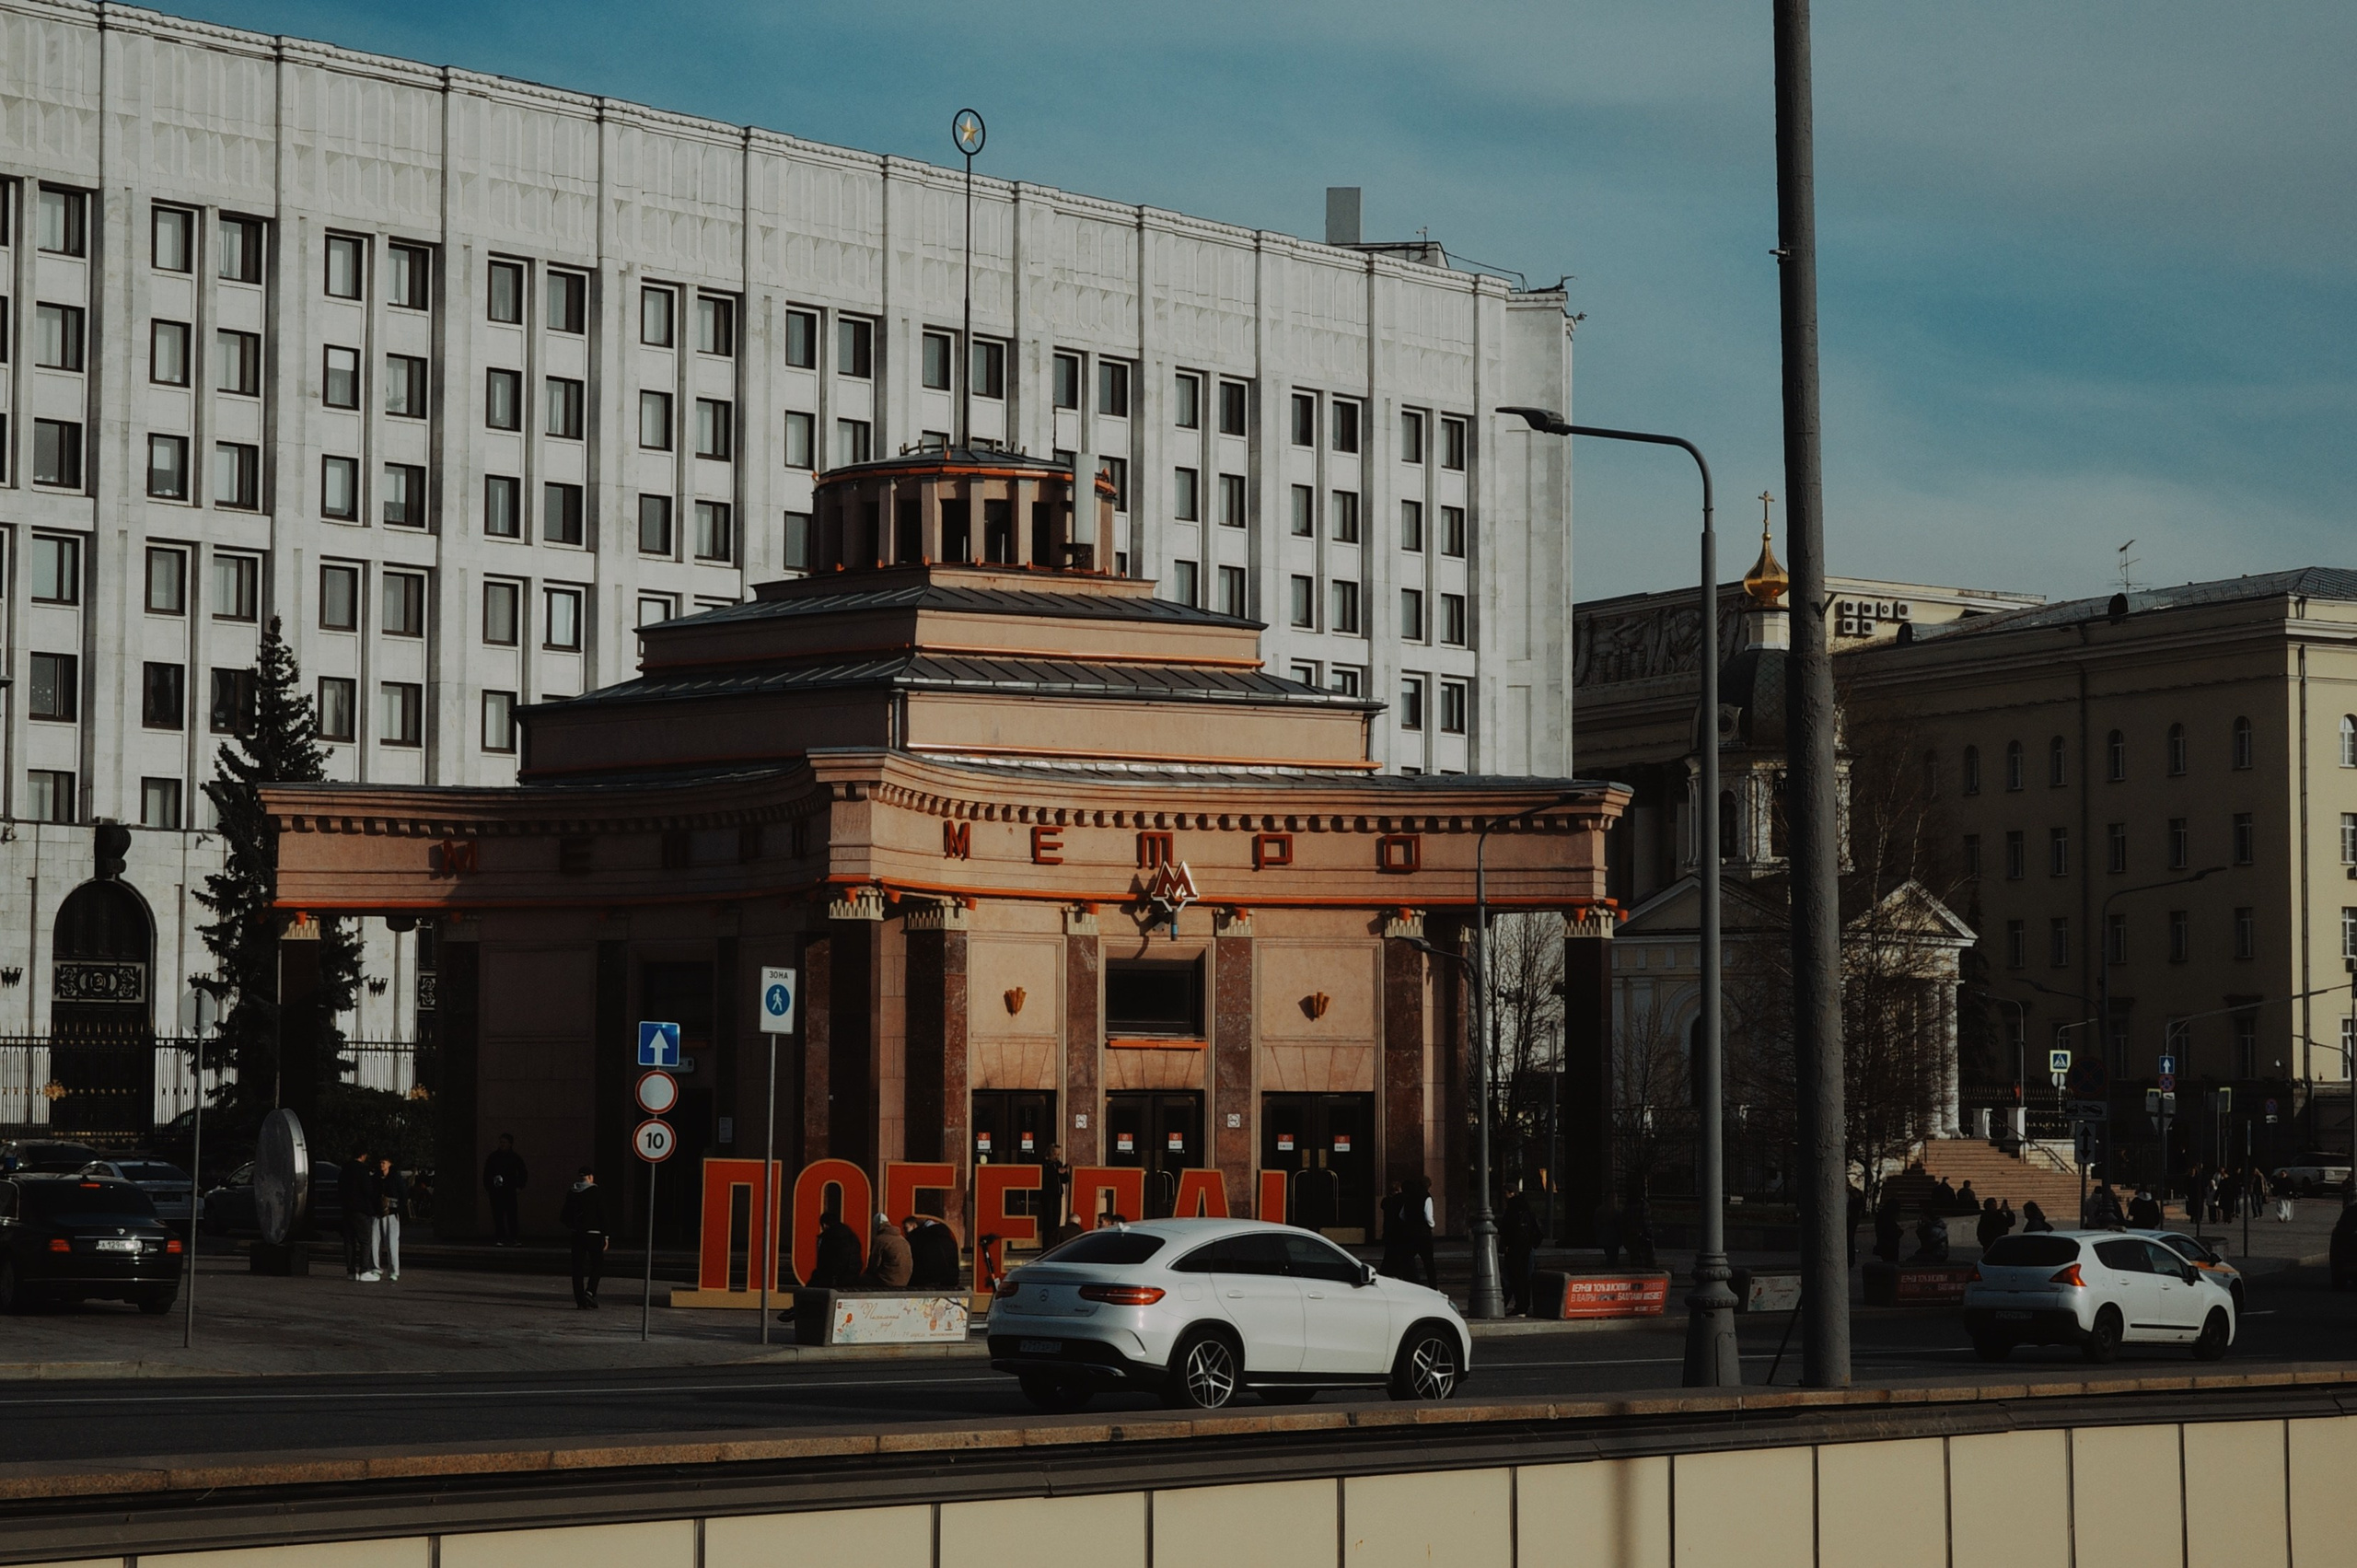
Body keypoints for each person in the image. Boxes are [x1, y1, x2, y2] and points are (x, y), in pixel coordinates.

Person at [558, 1166, 609, 1308]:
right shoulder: (596, 1192)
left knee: (577, 1268)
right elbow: (602, 1214)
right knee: (597, 1264)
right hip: (594, 1234)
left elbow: (563, 1216)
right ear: (591, 1177)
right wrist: (606, 1235)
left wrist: (574, 1226)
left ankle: (580, 1301)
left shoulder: (572, 1192)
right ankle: (590, 1292)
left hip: (577, 1235)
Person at [363, 1155, 406, 1283]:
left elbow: (403, 1195)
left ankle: (393, 1271)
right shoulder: (375, 1178)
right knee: (374, 1242)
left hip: (391, 1214)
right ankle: (376, 1268)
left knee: (392, 1243)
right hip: (376, 1214)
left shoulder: (395, 1178)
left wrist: (397, 1209)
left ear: (389, 1164)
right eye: (380, 1162)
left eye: (384, 1162)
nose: (381, 1165)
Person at [1500, 1187, 1541, 1316]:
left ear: (1511, 1193)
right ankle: (1523, 1306)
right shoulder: (1528, 1211)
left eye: (1506, 1193)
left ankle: (1509, 1305)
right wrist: (1532, 1245)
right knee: (1525, 1279)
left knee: (1511, 1278)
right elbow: (1538, 1232)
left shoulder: (1511, 1211)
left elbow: (1505, 1230)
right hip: (1527, 1250)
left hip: (1514, 1250)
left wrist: (1505, 1247)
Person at [482, 1133, 528, 1247]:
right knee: (498, 1215)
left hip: (510, 1190)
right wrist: (489, 1187)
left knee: (512, 1215)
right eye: (500, 1142)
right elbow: (487, 1173)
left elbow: (523, 1173)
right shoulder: (493, 1157)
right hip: (496, 1191)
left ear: (510, 1144)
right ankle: (500, 1238)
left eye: (504, 1142)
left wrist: (519, 1186)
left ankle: (513, 1238)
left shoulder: (515, 1158)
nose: (502, 1144)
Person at [807, 1204, 865, 1290]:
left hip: (836, 1278)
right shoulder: (851, 1235)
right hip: (853, 1275)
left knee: (808, 1291)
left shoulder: (829, 1237)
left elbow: (824, 1262)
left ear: (824, 1225)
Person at [904, 1211, 961, 1289]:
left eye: (906, 1228)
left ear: (914, 1225)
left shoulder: (918, 1239)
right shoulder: (947, 1237)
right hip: (949, 1283)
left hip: (925, 1283)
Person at [339, 1147, 370, 1278]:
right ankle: (364, 1269)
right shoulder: (362, 1170)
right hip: (360, 1209)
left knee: (349, 1241)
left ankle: (351, 1270)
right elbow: (367, 1190)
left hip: (346, 1209)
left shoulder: (344, 1170)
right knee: (365, 1240)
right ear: (363, 1156)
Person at [861, 1214, 913, 1288]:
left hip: (887, 1282)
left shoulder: (880, 1240)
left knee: (860, 1280)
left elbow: (873, 1265)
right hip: (905, 1281)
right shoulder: (902, 1239)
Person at [1377, 1181, 1413, 1279]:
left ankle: (1386, 1272)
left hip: (1389, 1230)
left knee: (1389, 1254)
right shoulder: (1399, 1201)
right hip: (1397, 1231)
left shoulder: (1386, 1201)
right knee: (1397, 1254)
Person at [1039, 1144, 1071, 1230]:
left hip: (1058, 1193)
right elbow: (1043, 1177)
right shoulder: (1044, 1164)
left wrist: (1064, 1172)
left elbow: (1065, 1180)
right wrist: (1056, 1172)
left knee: (1057, 1217)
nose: (1056, 1156)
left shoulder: (1058, 1164)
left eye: (1058, 1154)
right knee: (1048, 1218)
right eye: (1055, 1154)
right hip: (1047, 1194)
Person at [1593, 1194, 1623, 1268]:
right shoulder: (1616, 1212)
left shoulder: (1600, 1211)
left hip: (1605, 1237)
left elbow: (1596, 1225)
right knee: (1613, 1255)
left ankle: (1610, 1264)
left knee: (1610, 1254)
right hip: (1614, 1238)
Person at [1874, 1197, 1904, 1262]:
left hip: (1883, 1245)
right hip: (1890, 1246)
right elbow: (1893, 1234)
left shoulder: (1881, 1218)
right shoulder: (1889, 1221)